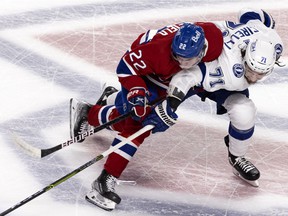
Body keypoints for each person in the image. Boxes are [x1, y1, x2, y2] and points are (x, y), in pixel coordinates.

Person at [70, 21, 223, 210]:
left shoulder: (214, 39)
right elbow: (126, 67)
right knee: (137, 125)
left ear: (202, 50)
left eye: (188, 59)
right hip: (145, 74)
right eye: (178, 57)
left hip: (172, 81)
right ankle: (105, 179)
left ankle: (89, 114)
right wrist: (137, 93)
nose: (182, 63)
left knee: (128, 120)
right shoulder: (158, 52)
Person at [150, 8, 283, 189]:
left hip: (219, 79)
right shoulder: (227, 67)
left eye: (261, 74)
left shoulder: (272, 40)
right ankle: (110, 106)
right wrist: (173, 100)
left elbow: (251, 14)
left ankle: (237, 157)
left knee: (244, 111)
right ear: (243, 57)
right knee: (149, 109)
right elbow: (189, 77)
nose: (254, 78)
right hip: (194, 65)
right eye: (251, 71)